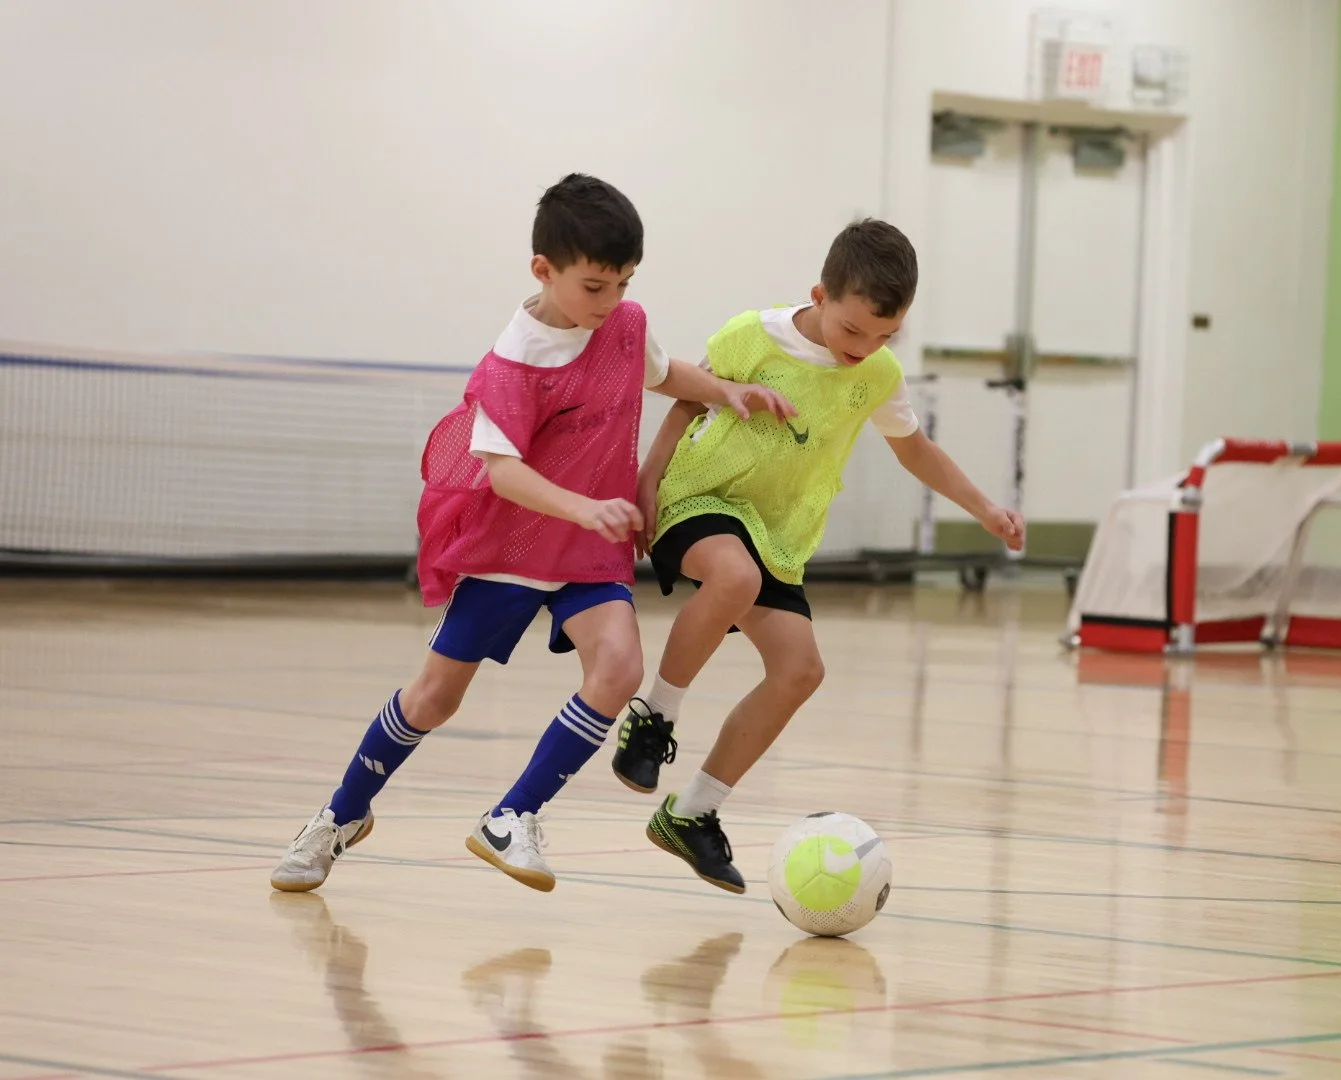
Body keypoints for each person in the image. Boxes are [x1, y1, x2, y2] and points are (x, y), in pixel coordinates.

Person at [270, 173, 792, 894]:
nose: (610, 303)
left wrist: (727, 392)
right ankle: (337, 817)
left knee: (618, 670)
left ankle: (512, 814)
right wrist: (586, 507)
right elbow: (503, 472)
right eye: (594, 287)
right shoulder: (513, 361)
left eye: (624, 284)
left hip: (589, 549)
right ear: (543, 271)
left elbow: (664, 373)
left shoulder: (624, 325)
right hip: (513, 548)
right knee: (434, 699)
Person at [610, 219, 1024, 892]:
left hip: (777, 532)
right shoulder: (753, 334)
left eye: (885, 336)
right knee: (734, 577)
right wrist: (650, 476)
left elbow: (915, 448)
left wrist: (984, 509)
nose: (865, 348)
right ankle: (654, 719)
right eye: (852, 330)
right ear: (820, 295)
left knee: (800, 670)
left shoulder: (878, 375)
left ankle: (692, 815)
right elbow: (690, 397)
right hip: (701, 496)